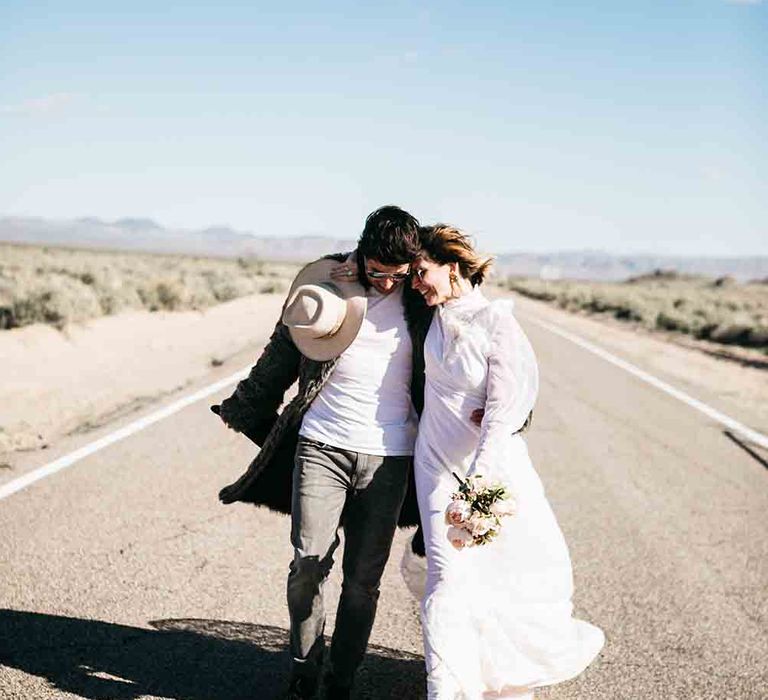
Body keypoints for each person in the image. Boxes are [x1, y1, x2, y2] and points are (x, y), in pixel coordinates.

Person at [212, 205, 435, 699]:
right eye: (377, 271)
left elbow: (464, 345)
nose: (386, 284)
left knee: (361, 583)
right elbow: (282, 349)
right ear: (360, 253)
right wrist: (247, 406)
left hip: (389, 458)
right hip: (321, 446)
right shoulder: (330, 283)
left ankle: (341, 679)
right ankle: (304, 666)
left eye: (397, 276)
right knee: (308, 563)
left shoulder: (420, 299)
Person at [409, 224, 604, 699]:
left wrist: (478, 484)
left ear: (450, 267)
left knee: (497, 576)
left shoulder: (498, 323)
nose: (414, 282)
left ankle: (488, 671)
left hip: (484, 468)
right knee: (446, 575)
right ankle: (446, 691)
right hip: (433, 462)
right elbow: (378, 272)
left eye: (421, 272)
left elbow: (503, 412)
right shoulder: (424, 312)